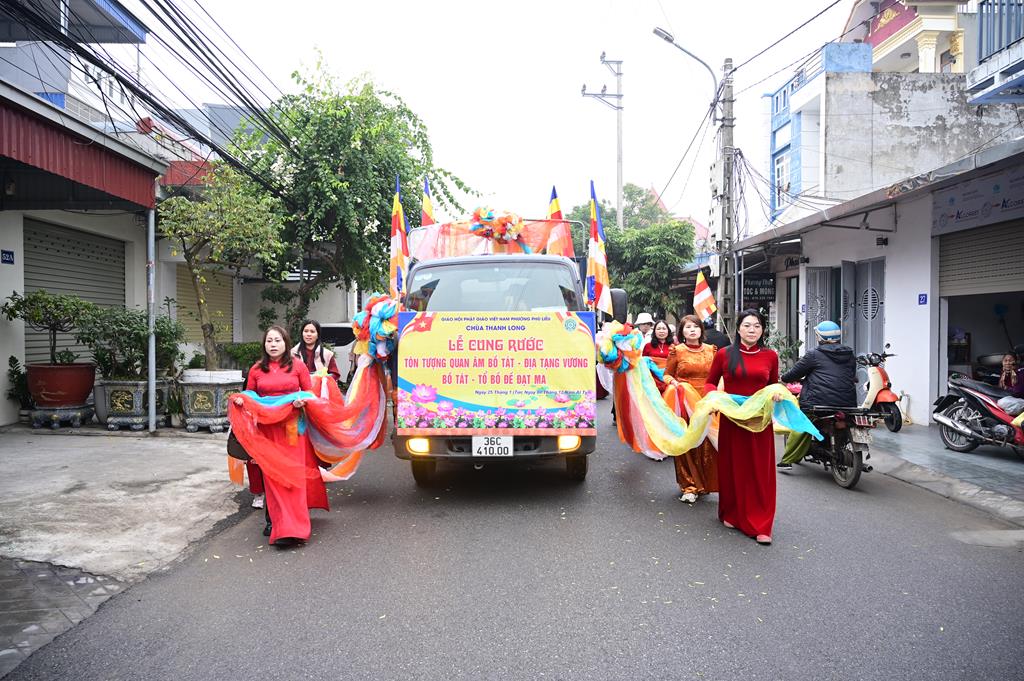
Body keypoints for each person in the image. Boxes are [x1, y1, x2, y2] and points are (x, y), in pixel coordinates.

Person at [236, 325, 329, 546]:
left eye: (277, 340)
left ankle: (295, 528)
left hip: (292, 429)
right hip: (267, 431)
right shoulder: (257, 369)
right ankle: (275, 522)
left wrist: (302, 402)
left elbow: (310, 394)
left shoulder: (297, 366)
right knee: (272, 477)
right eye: (269, 341)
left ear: (286, 343)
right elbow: (250, 395)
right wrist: (241, 402)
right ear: (264, 344)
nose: (273, 345)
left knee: (292, 476)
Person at [704, 309, 781, 545]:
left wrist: (777, 394)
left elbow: (773, 385)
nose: (752, 330)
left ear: (762, 330)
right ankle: (732, 513)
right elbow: (709, 383)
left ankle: (761, 524)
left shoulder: (770, 356)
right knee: (734, 468)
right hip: (733, 420)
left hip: (759, 422)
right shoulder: (725, 355)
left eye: (757, 326)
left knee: (760, 473)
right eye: (747, 325)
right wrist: (713, 399)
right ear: (738, 329)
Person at [777, 320, 858, 469]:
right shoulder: (849, 354)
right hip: (847, 402)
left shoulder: (814, 354)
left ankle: (787, 460)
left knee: (801, 423)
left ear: (819, 337)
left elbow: (795, 373)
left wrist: (783, 378)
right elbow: (852, 375)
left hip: (818, 402)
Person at [663, 314, 719, 503]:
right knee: (686, 443)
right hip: (685, 401)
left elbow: (719, 376)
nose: (692, 330)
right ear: (682, 332)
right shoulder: (676, 351)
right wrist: (676, 384)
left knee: (707, 444)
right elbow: (667, 375)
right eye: (687, 327)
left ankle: (704, 483)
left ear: (701, 330)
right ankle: (688, 485)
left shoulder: (712, 350)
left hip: (707, 400)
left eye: (695, 326)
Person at [642, 319, 676, 393]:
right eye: (658, 329)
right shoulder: (648, 346)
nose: (661, 331)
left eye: (664, 328)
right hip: (652, 382)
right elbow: (643, 365)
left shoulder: (675, 346)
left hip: (669, 380)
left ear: (668, 331)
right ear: (654, 331)